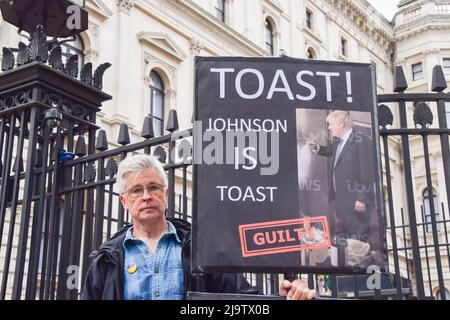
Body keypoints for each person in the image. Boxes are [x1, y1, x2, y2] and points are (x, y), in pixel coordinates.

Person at [81, 154, 315, 300]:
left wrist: (286, 298)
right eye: (136, 190)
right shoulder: (105, 260)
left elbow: (243, 300)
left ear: (166, 195)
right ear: (124, 201)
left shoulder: (200, 249)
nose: (146, 196)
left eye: (153, 187)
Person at [307, 111, 375, 252]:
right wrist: (317, 148)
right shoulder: (339, 142)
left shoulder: (361, 140)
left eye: (331, 125)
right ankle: (348, 261)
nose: (330, 128)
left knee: (358, 237)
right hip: (341, 200)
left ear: (341, 124)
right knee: (346, 237)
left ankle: (359, 266)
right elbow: (329, 150)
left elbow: (367, 172)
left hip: (356, 201)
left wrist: (362, 198)